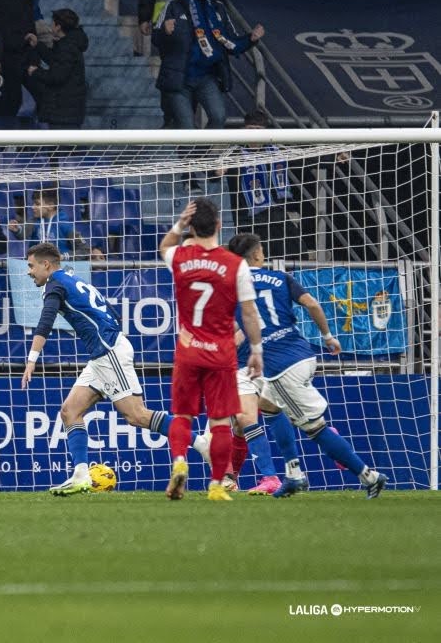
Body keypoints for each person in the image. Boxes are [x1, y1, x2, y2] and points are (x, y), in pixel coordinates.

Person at [21, 242, 210, 495]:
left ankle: (201, 443)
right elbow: (109, 312)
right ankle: (80, 476)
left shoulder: (54, 284)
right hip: (102, 355)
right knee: (70, 411)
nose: (29, 272)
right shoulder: (72, 279)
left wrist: (32, 359)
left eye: (31, 266)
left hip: (109, 352)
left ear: (46, 264)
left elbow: (46, 320)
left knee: (136, 416)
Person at [226, 233, 388, 499]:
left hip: (280, 366)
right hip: (301, 353)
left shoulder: (234, 290)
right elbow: (311, 303)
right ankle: (292, 475)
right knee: (270, 407)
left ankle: (368, 476)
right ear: (256, 255)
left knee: (315, 428)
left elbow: (237, 326)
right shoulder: (280, 277)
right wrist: (327, 336)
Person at [158, 198, 263, 501]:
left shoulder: (180, 256)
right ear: (219, 225)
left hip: (189, 350)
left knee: (182, 415)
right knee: (219, 422)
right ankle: (218, 485)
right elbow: (249, 313)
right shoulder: (235, 264)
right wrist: (256, 349)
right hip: (221, 353)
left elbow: (164, 246)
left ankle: (179, 461)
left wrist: (179, 224)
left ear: (191, 226)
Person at [153, 0, 263, 129]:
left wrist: (251, 39)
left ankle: (202, 154)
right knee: (186, 127)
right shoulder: (173, 6)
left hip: (207, 78)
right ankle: (189, 154)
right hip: (179, 79)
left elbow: (231, 43)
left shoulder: (218, 9)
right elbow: (155, 38)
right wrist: (164, 32)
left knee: (219, 117)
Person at [228, 108, 302, 259]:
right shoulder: (234, 154)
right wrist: (217, 171)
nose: (255, 134)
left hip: (276, 216)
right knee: (255, 258)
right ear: (243, 130)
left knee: (297, 253)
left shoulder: (276, 152)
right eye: (251, 129)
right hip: (248, 219)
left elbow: (306, 158)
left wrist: (334, 158)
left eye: (259, 130)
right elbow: (211, 170)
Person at [25, 8, 87, 130]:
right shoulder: (69, 43)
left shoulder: (67, 47)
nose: (50, 26)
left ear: (58, 26)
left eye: (52, 23)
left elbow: (57, 76)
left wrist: (36, 71)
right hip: (67, 109)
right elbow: (56, 60)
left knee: (65, 146)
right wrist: (37, 45)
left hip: (65, 110)